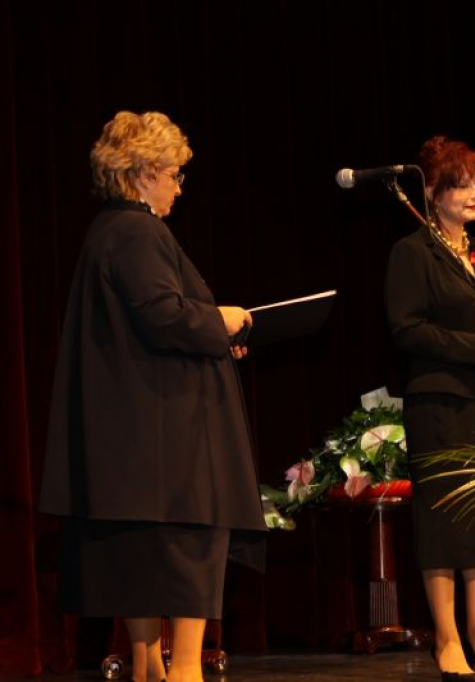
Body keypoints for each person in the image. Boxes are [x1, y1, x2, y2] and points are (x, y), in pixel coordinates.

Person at [39, 111, 266, 682]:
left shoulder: (107, 231)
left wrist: (214, 339)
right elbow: (162, 315)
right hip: (169, 447)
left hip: (137, 443)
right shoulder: (138, 231)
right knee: (188, 547)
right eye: (173, 175)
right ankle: (183, 670)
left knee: (139, 565)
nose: (179, 188)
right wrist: (221, 320)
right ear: (142, 174)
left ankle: (149, 665)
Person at [386, 136, 475, 681]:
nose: (474, 194)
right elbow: (408, 330)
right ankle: (446, 642)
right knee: (444, 522)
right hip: (439, 405)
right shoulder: (412, 252)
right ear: (432, 193)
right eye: (460, 185)